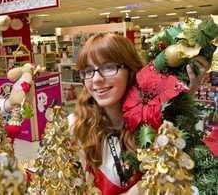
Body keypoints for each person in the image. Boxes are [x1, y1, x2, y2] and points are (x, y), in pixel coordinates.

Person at [69, 32, 208, 195]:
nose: (96, 79)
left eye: (108, 67)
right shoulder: (77, 127)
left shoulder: (156, 122)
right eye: (87, 71)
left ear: (131, 70)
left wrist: (182, 101)